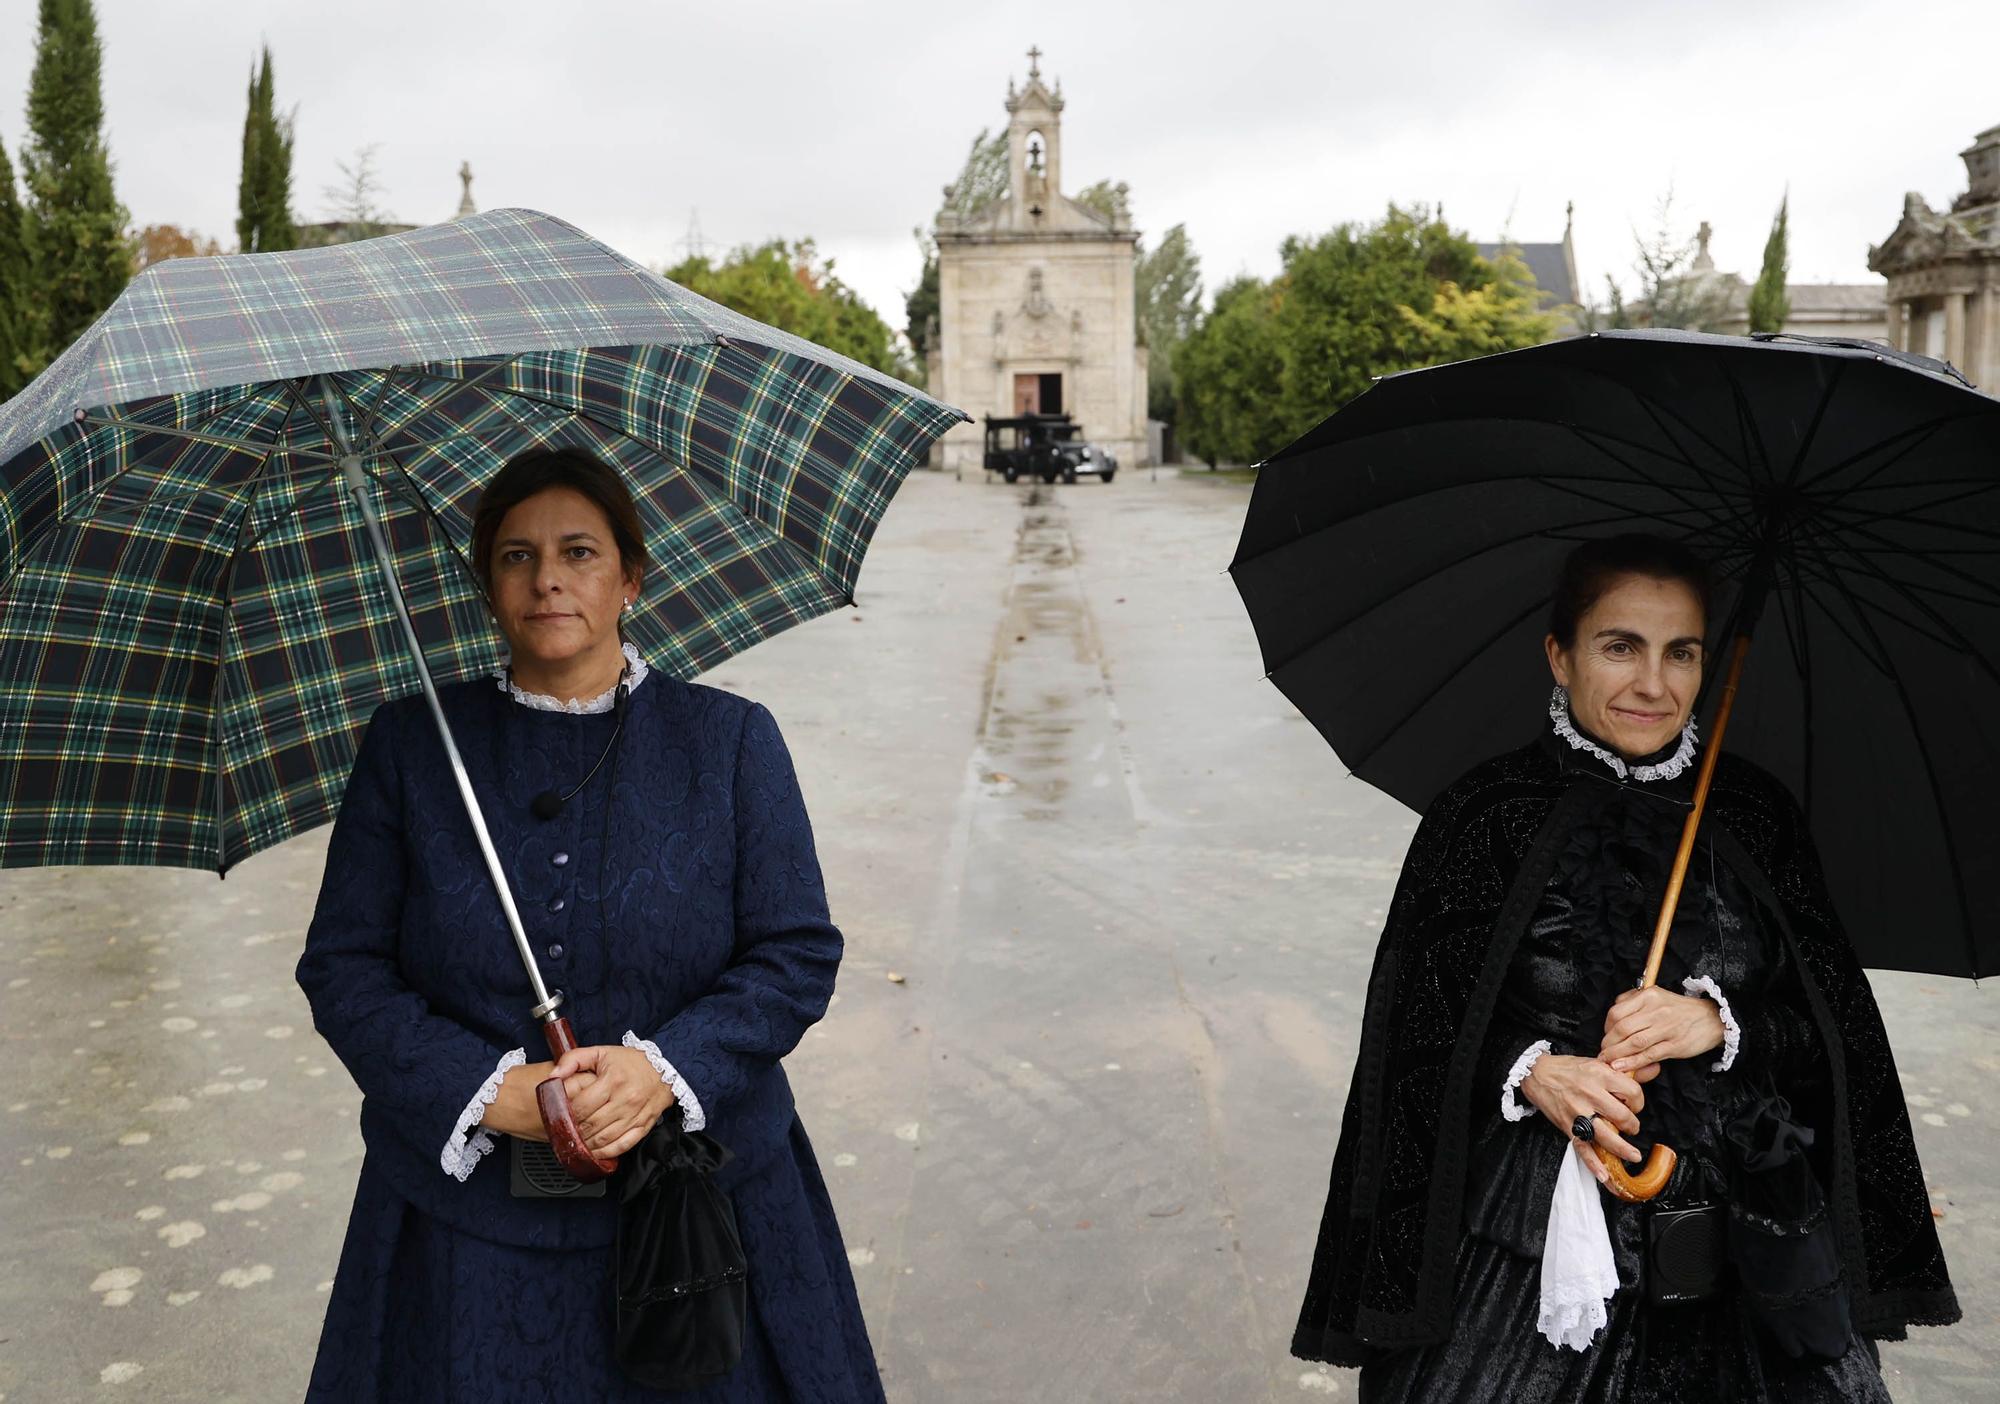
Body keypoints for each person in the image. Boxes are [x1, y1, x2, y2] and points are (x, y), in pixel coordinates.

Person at [1292, 535, 1958, 1402]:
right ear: (1559, 657)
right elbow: (1416, 1036)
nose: (1654, 684)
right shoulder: (1485, 816)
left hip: (1746, 1247)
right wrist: (1532, 1072)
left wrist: (1719, 1025)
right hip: (1523, 1247)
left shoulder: (1756, 815)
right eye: (1620, 646)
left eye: (1681, 651)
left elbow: (1835, 1034)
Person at [297, 448, 883, 1402]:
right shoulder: (411, 747)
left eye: (579, 551)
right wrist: (492, 1091)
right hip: (464, 1240)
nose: (548, 579)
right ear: (487, 584)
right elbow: (345, 968)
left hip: (704, 1219)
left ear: (631, 577)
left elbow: (794, 952)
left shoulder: (730, 742)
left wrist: (663, 1071)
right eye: (515, 557)